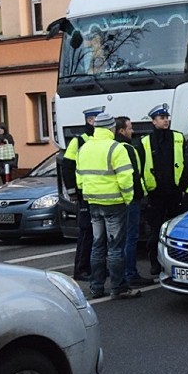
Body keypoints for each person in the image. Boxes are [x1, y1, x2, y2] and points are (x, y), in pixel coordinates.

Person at [76, 112, 141, 300]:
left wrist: (87, 193)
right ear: (111, 128)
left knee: (97, 245)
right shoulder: (116, 148)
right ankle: (118, 287)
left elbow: (80, 176)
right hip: (114, 203)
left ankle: (96, 287)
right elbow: (126, 177)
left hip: (93, 202)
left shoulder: (85, 148)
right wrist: (128, 198)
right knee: (115, 247)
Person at [139, 103, 184, 276]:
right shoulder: (145, 142)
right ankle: (155, 263)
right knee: (155, 230)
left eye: (167, 117)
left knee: (175, 229)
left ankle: (177, 260)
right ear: (153, 121)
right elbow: (141, 168)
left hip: (174, 191)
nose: (166, 120)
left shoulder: (178, 138)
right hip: (155, 193)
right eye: (162, 118)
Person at [60, 106, 103, 281]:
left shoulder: (99, 140)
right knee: (87, 233)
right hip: (84, 193)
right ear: (90, 121)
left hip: (98, 192)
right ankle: (81, 269)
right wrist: (72, 191)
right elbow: (67, 166)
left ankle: (95, 267)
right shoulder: (79, 141)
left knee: (97, 234)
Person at [115, 115, 153, 287]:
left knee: (116, 240)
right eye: (130, 128)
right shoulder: (128, 149)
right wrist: (140, 195)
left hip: (113, 201)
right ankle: (130, 273)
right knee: (131, 238)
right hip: (130, 199)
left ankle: (119, 275)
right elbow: (133, 176)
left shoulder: (112, 147)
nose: (133, 131)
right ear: (122, 130)